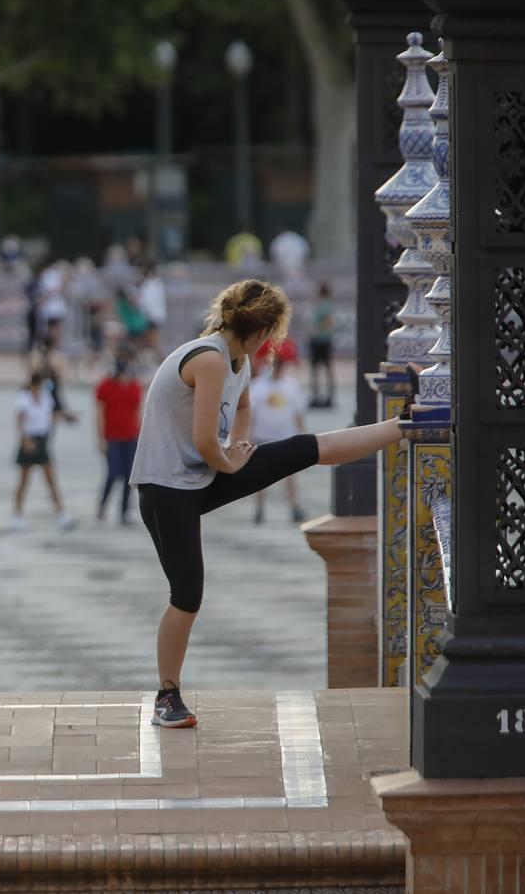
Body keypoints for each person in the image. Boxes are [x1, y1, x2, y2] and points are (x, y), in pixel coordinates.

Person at [130, 279, 415, 729]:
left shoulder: (238, 362)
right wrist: (230, 460)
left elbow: (240, 412)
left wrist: (240, 447)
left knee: (302, 448)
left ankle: (405, 424)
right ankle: (167, 697)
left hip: (204, 474)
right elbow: (206, 441)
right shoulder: (208, 359)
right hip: (166, 488)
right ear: (266, 330)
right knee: (187, 594)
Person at [11, 371, 77, 531]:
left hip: (42, 441)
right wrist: (24, 440)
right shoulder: (24, 398)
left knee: (50, 479)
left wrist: (67, 416)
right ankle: (17, 515)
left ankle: (61, 514)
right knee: (24, 481)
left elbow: (50, 416)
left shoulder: (46, 397)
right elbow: (19, 421)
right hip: (29, 440)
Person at [248, 348, 307, 524]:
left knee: (290, 477)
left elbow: (298, 413)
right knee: (259, 477)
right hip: (262, 437)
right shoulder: (258, 385)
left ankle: (295, 506)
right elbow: (251, 413)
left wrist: (302, 435)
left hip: (286, 437)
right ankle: (259, 508)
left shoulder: (291, 385)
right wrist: (249, 436)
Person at [95, 355, 143, 525]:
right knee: (113, 473)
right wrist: (100, 438)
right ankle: (102, 506)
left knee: (128, 475)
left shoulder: (134, 387)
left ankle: (124, 511)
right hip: (112, 437)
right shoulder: (105, 386)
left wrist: (141, 436)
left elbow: (139, 412)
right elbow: (99, 414)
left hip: (130, 437)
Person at [308, 282, 336, 408]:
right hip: (322, 341)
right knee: (324, 370)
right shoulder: (324, 305)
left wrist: (315, 329)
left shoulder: (324, 305)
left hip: (321, 340)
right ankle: (326, 395)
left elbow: (328, 322)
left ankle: (320, 395)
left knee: (318, 370)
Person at [138, 262, 168, 356]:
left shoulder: (154, 283)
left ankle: (159, 358)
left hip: (152, 315)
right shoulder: (150, 283)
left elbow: (149, 301)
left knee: (153, 339)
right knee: (147, 339)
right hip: (149, 315)